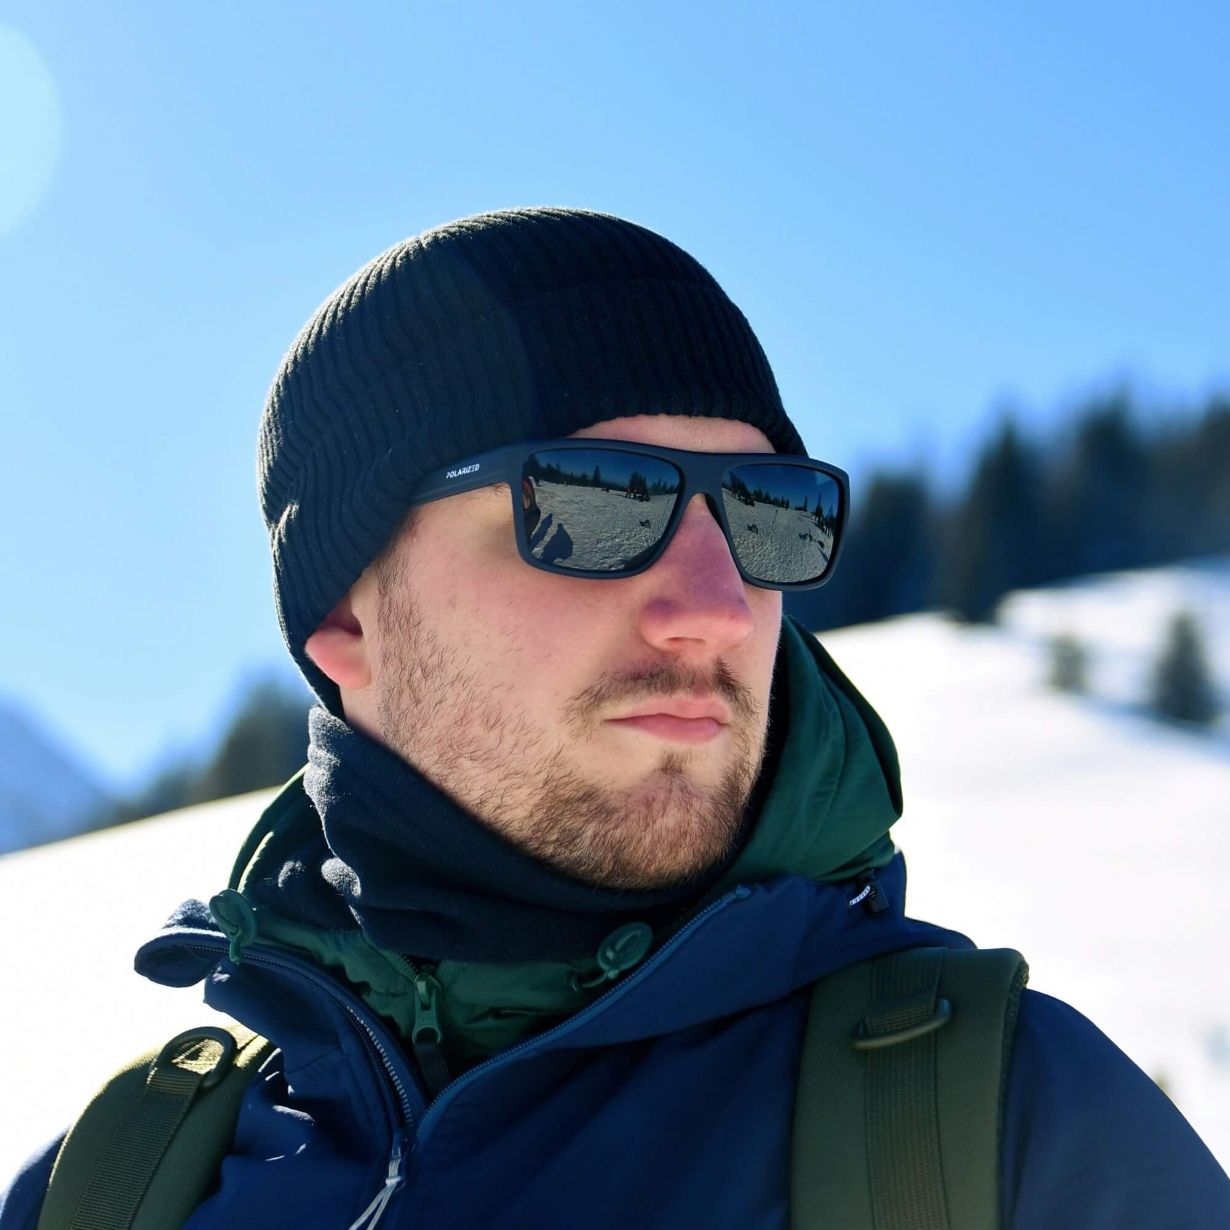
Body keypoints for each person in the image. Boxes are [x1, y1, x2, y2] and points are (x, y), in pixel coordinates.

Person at [3, 207, 1227, 1229]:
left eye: (767, 515)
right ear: (347, 623)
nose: (714, 607)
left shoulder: (1015, 1139)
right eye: (590, 505)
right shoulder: (113, 1193)